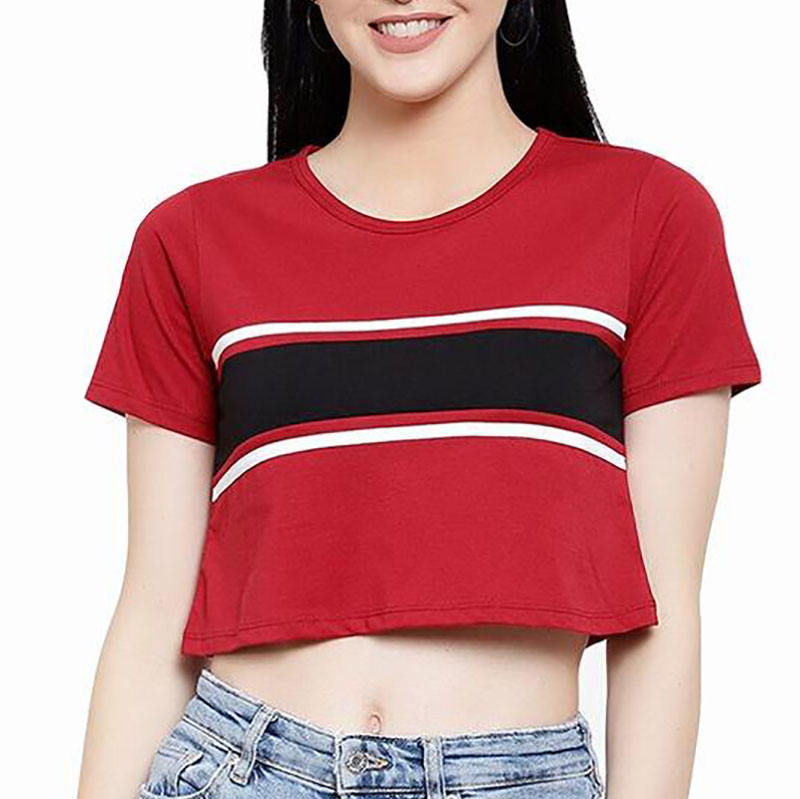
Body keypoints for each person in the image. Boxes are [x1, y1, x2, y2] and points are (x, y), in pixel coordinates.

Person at [77, 2, 761, 798]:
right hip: (240, 769)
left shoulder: (651, 216)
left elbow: (663, 615)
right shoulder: (192, 237)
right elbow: (153, 615)